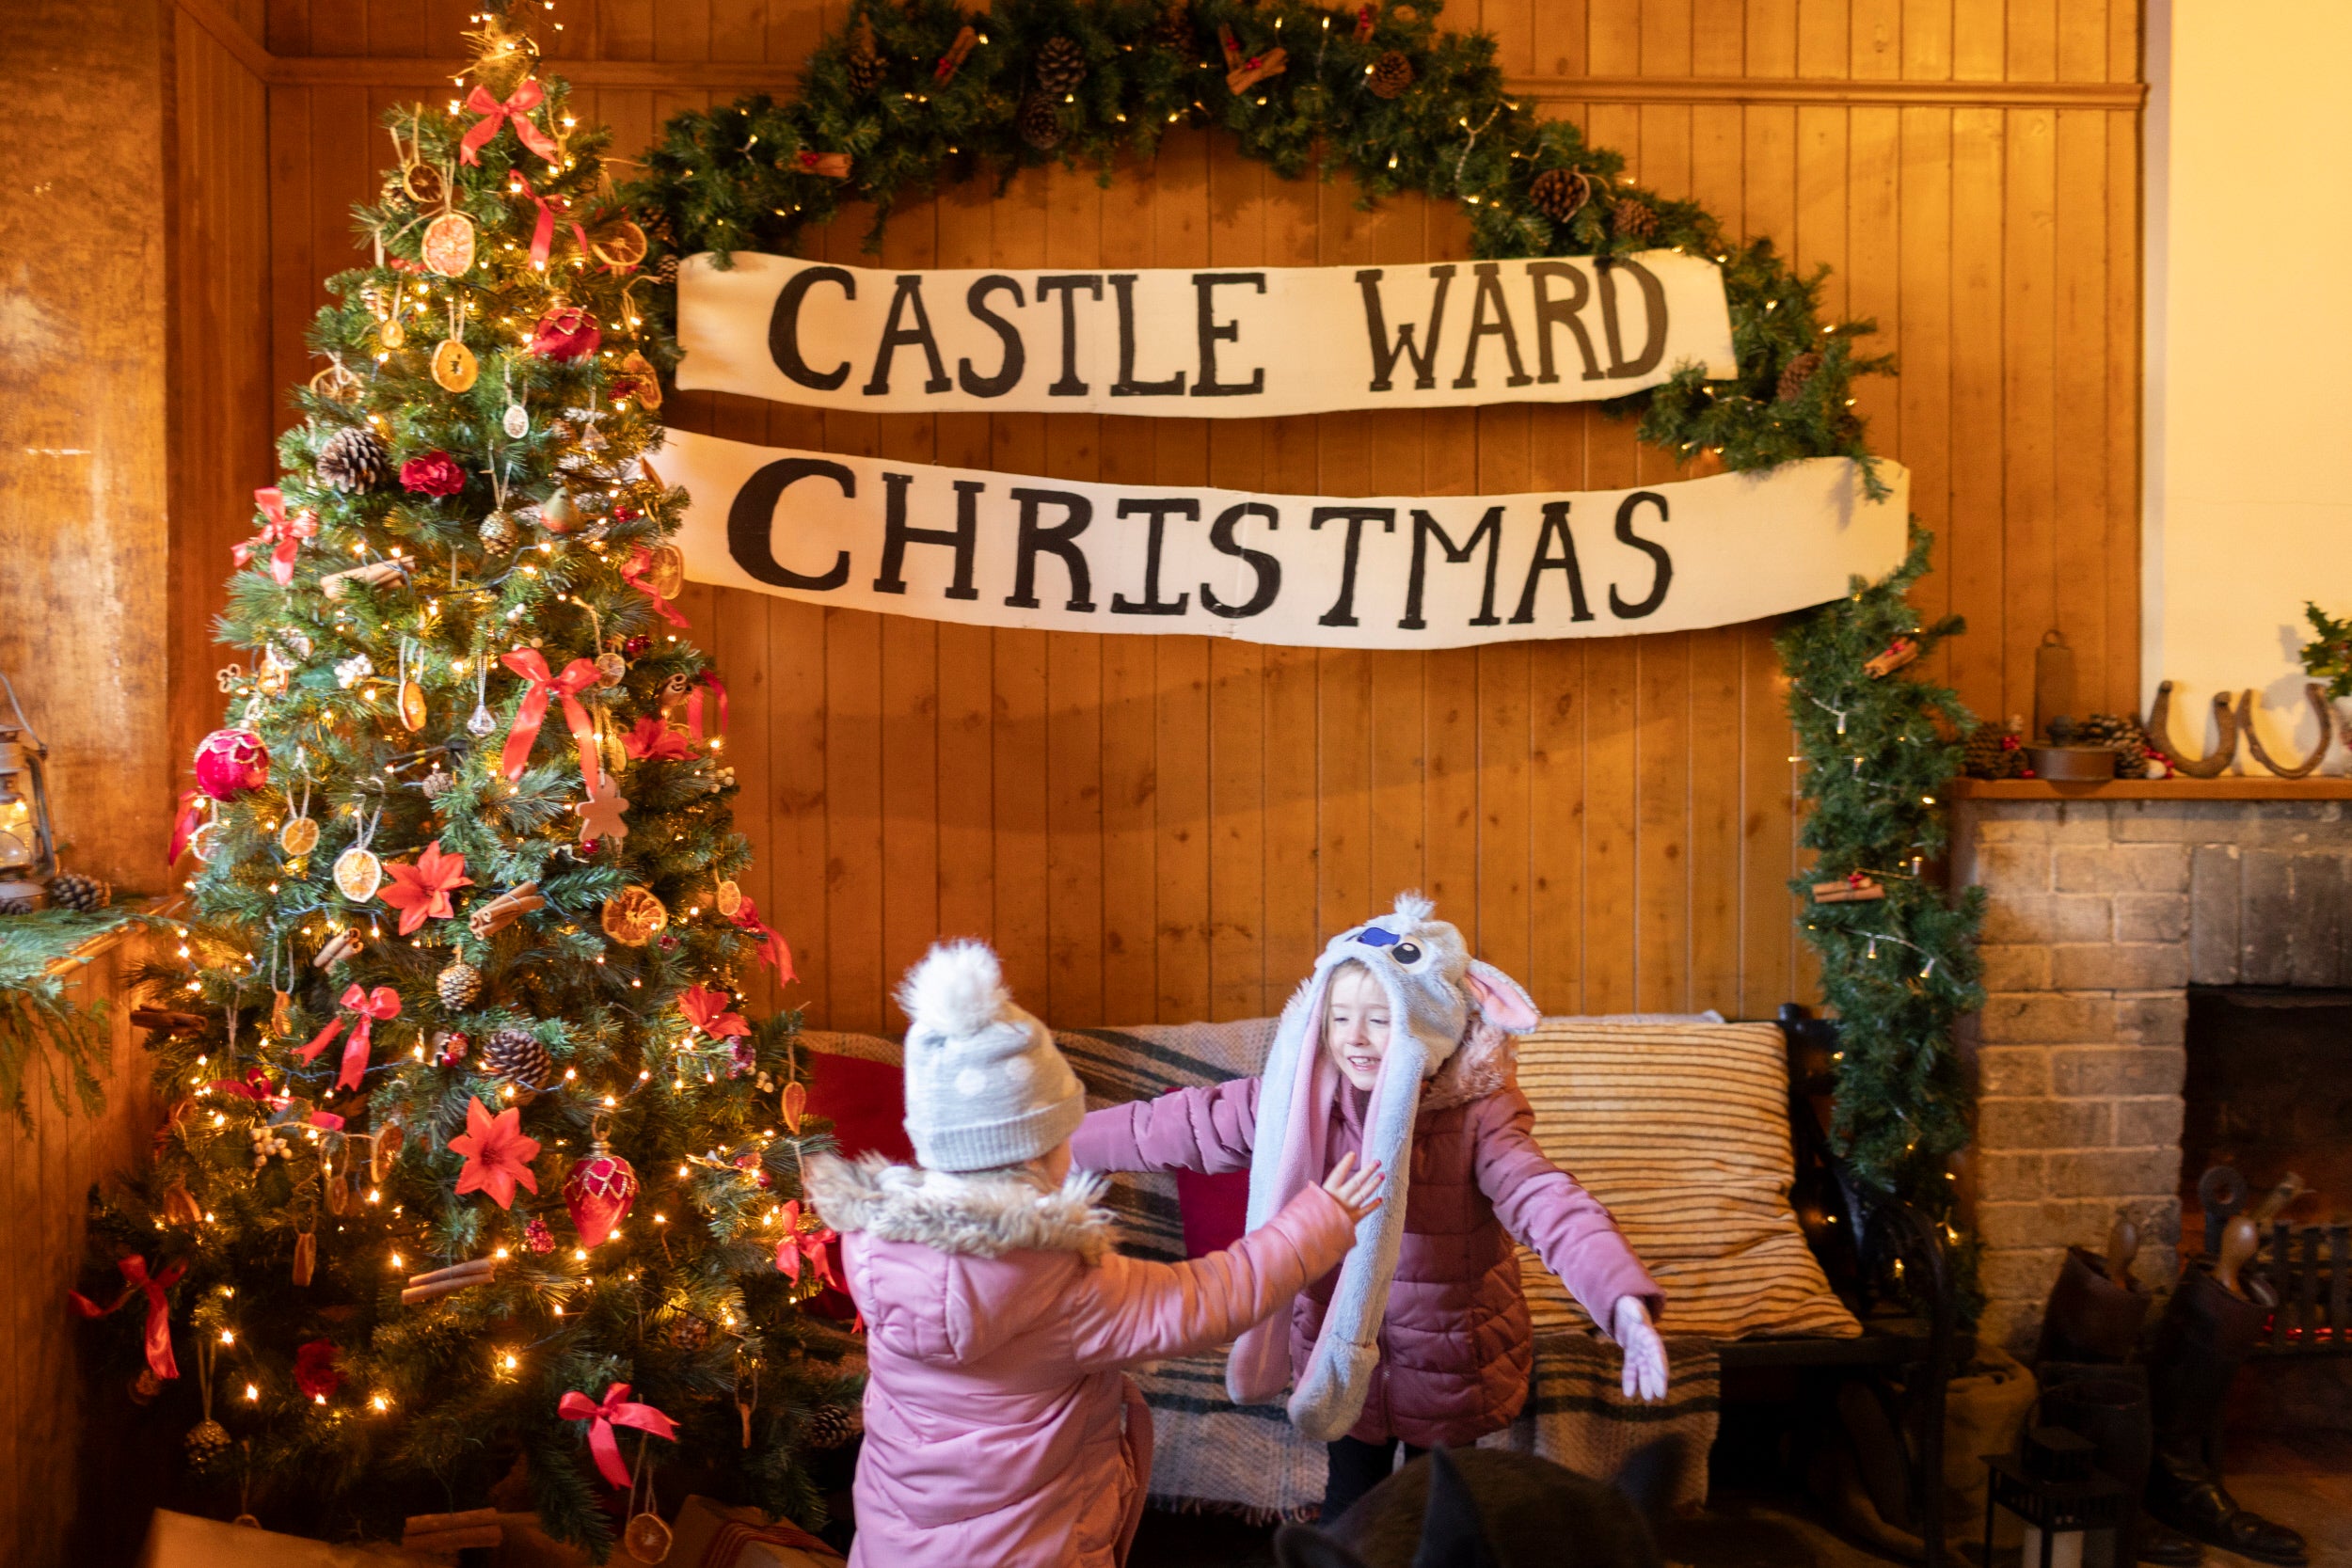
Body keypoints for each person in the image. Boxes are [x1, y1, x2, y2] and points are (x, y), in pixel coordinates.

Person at [1071, 893, 1668, 1522]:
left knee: (1447, 1519)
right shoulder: (1294, 1097)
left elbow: (1547, 1200)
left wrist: (1619, 1299)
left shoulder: (1478, 1115)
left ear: (1430, 1023)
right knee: (1350, 1513)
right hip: (1339, 1360)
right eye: (1339, 1016)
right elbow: (1176, 1125)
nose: (1354, 1038)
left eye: (1381, 1019)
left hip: (1451, 1361)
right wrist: (1054, 1148)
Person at [807, 940, 1386, 1568]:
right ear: (1041, 1148)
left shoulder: (878, 1249)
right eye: (1066, 1134)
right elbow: (1207, 1299)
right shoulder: (1055, 1282)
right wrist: (1319, 1221)